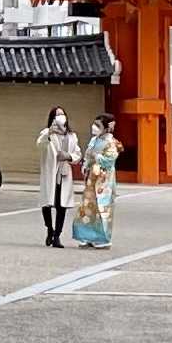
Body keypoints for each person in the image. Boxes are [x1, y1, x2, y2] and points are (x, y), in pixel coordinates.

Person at [69, 113, 120, 250]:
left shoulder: (111, 142)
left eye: (98, 125)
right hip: (92, 177)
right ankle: (86, 236)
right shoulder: (94, 140)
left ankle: (102, 238)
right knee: (88, 206)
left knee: (102, 206)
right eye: (94, 124)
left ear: (106, 128)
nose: (94, 127)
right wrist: (86, 164)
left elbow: (109, 160)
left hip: (104, 179)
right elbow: (88, 155)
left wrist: (96, 157)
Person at [36, 106, 81, 248]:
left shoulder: (72, 136)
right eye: (57, 115)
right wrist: (50, 132)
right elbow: (40, 144)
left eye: (62, 114)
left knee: (62, 206)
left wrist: (68, 156)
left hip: (64, 174)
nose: (60, 117)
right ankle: (49, 229)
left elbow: (77, 154)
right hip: (50, 173)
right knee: (47, 203)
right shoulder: (47, 133)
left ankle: (57, 236)